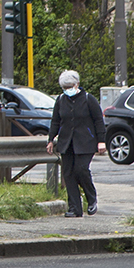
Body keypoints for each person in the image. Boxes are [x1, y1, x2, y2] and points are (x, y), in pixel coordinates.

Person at [45, 69, 106, 218]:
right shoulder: (60, 100)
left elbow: (98, 120)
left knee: (81, 169)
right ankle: (75, 208)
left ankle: (91, 199)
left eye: (70, 86)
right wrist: (51, 139)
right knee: (68, 173)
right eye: (65, 88)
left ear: (77, 84)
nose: (68, 90)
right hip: (67, 142)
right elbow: (56, 121)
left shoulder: (88, 99)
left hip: (85, 142)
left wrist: (101, 141)